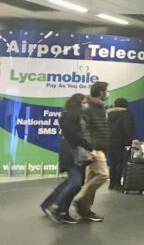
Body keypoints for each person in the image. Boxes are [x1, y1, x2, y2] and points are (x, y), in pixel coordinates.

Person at [41, 93, 92, 223]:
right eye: (84, 102)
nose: (86, 105)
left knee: (73, 182)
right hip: (72, 154)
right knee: (75, 183)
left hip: (77, 153)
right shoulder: (69, 116)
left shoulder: (78, 116)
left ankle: (55, 207)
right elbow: (74, 135)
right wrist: (89, 146)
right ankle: (56, 207)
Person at [72, 81, 109, 222]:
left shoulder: (100, 108)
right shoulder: (88, 108)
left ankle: (85, 209)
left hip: (100, 147)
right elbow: (84, 129)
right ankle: (79, 198)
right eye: (106, 90)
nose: (107, 93)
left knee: (91, 177)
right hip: (94, 148)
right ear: (100, 92)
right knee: (103, 175)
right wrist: (89, 148)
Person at [106, 97, 135, 191]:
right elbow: (128, 128)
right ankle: (117, 184)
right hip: (120, 142)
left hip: (110, 141)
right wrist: (133, 139)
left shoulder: (109, 114)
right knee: (120, 163)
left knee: (113, 162)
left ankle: (111, 183)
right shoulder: (126, 114)